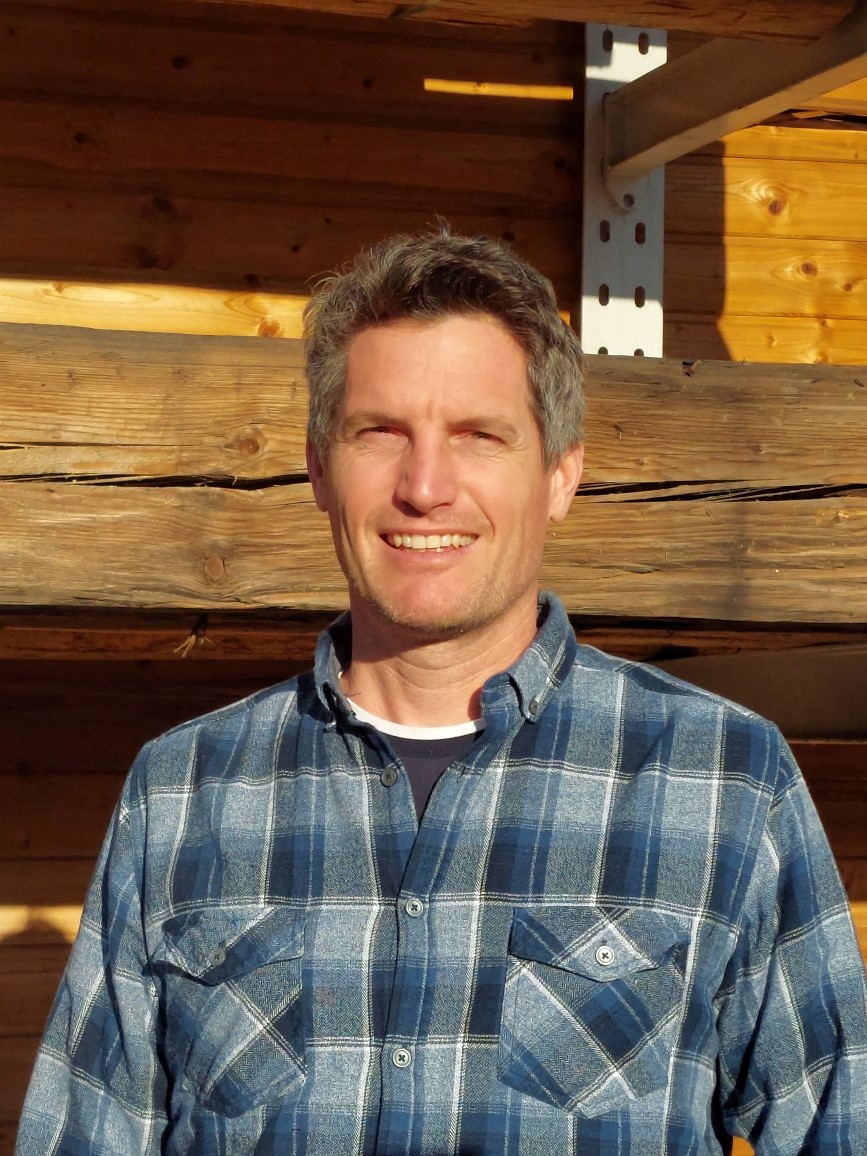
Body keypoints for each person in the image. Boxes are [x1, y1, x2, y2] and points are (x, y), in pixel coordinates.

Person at [16, 227, 867, 1155]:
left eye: (478, 436)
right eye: (380, 433)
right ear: (317, 467)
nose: (425, 487)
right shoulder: (183, 793)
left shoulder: (723, 781)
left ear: (559, 475)